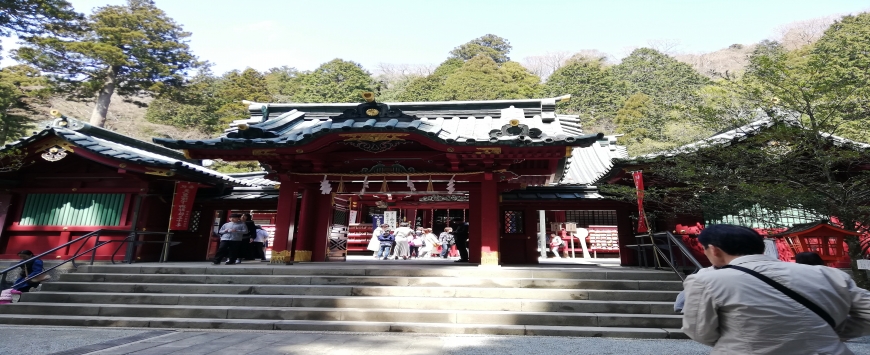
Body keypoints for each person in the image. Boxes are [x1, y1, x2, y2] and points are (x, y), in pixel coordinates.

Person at [682, 224, 870, 355]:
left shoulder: (706, 280)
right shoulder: (829, 274)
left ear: (714, 250)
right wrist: (827, 331)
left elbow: (700, 331)